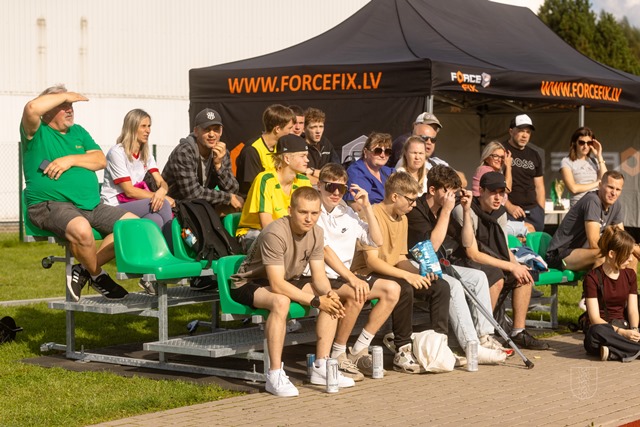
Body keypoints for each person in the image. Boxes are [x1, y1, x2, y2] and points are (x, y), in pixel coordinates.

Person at [230, 187, 355, 397]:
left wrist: (328, 293)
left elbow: (319, 276)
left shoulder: (317, 232)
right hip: (248, 284)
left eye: (314, 213)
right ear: (290, 210)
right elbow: (277, 285)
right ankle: (274, 374)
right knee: (281, 302)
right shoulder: (275, 233)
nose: (309, 218)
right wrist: (316, 301)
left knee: (331, 297)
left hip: (286, 280)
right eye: (303, 212)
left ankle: (321, 366)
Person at [21, 84, 134, 301]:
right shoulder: (36, 133)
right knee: (81, 229)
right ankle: (98, 275)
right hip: (49, 204)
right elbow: (32, 108)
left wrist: (69, 160)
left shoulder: (79, 132)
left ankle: (85, 269)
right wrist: (65, 94)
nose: (70, 109)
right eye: (63, 105)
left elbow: (100, 160)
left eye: (71, 105)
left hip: (91, 205)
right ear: (48, 110)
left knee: (134, 227)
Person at [406, 165, 509, 363]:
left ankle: (484, 336)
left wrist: (467, 210)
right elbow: (430, 248)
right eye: (448, 191)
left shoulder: (443, 210)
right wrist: (446, 211)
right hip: (414, 264)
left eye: (454, 192)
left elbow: (467, 243)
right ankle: (471, 346)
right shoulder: (417, 210)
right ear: (433, 190)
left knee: (479, 277)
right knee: (452, 285)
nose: (451, 197)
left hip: (438, 265)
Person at [351, 171, 451, 373]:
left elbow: (400, 258)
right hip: (366, 273)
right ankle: (402, 349)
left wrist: (420, 273)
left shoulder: (402, 218)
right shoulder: (372, 215)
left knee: (440, 286)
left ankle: (437, 345)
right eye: (411, 200)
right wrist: (407, 276)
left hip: (390, 272)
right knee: (404, 287)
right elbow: (373, 262)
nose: (414, 205)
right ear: (395, 196)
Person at [310, 163, 401, 379]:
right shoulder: (313, 211)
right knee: (357, 292)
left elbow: (377, 240)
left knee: (392, 290)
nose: (335, 193)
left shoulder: (348, 212)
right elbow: (325, 251)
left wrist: (367, 207)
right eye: (331, 187)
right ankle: (338, 353)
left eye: (341, 188)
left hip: (342, 276)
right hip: (319, 276)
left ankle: (358, 349)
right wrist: (352, 278)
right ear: (319, 186)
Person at [452, 172, 550, 350]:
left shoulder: (500, 213)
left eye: (501, 193)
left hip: (488, 259)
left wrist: (517, 266)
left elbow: (504, 247)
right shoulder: (465, 209)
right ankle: (483, 335)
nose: (498, 198)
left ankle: (518, 332)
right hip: (462, 261)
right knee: (496, 277)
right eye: (493, 192)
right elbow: (472, 254)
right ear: (481, 191)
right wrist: (511, 266)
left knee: (524, 276)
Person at [546, 171, 639, 273]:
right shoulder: (592, 201)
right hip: (559, 254)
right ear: (600, 185)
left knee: (631, 256)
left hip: (583, 252)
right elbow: (594, 243)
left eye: (618, 189)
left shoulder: (616, 205)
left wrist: (631, 248)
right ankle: (594, 284)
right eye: (610, 187)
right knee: (603, 255)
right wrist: (632, 247)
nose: (614, 193)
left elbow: (622, 237)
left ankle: (627, 284)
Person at [235, 134, 312, 253]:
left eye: (306, 156)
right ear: (287, 159)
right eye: (302, 156)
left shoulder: (304, 181)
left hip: (288, 234)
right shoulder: (265, 179)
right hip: (255, 233)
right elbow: (266, 225)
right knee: (275, 242)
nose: (307, 160)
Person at [101, 109, 173, 230]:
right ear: (132, 128)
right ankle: (171, 242)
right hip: (113, 206)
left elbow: (161, 181)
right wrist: (161, 197)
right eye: (143, 126)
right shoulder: (117, 152)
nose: (148, 131)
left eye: (149, 126)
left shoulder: (146, 154)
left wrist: (162, 191)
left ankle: (155, 243)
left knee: (155, 219)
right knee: (164, 204)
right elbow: (130, 191)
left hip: (132, 203)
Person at [162, 108, 243, 213]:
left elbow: (233, 190)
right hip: (174, 204)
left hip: (200, 205)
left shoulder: (222, 152)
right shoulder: (184, 151)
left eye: (216, 129)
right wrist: (227, 198)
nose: (212, 134)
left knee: (236, 205)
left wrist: (219, 166)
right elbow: (192, 194)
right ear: (196, 131)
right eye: (207, 129)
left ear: (221, 131)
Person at [583, 226, 640, 362]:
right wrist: (622, 333)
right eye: (627, 255)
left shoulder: (630, 275)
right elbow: (594, 318)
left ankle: (614, 352)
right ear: (612, 254)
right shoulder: (592, 278)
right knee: (595, 332)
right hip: (606, 330)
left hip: (625, 325)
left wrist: (634, 330)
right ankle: (630, 349)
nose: (631, 259)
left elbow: (633, 309)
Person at [472, 140, 529, 237]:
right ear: (487, 157)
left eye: (502, 157)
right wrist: (509, 166)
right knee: (529, 229)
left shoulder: (494, 172)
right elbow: (507, 188)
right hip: (487, 219)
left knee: (524, 232)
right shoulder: (486, 171)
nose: (500, 159)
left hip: (495, 215)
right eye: (495, 156)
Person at [235, 104, 295, 196]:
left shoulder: (281, 147)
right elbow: (256, 187)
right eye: (289, 128)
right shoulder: (252, 150)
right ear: (277, 129)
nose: (292, 132)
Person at [504, 114, 545, 232]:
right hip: (511, 211)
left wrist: (541, 210)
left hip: (534, 212)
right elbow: (493, 185)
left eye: (528, 132)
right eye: (521, 131)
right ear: (511, 131)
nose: (525, 135)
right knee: (515, 243)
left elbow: (539, 186)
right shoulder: (501, 151)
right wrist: (509, 206)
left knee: (536, 242)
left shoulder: (534, 154)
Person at [560, 127, 607, 208]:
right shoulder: (566, 161)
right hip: (578, 206)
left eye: (589, 143)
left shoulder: (595, 161)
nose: (585, 146)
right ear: (574, 143)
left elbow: (606, 180)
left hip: (595, 205)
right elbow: (573, 188)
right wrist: (597, 183)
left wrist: (599, 156)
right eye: (581, 142)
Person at [345, 132, 395, 206]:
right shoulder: (356, 172)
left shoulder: (389, 171)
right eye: (378, 151)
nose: (383, 155)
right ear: (366, 152)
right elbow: (358, 207)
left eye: (387, 152)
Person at [303, 107, 339, 184]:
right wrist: (325, 181)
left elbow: (337, 173)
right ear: (304, 129)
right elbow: (302, 176)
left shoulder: (326, 143)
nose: (318, 131)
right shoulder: (299, 145)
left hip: (327, 187)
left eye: (321, 126)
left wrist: (313, 171)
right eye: (313, 127)